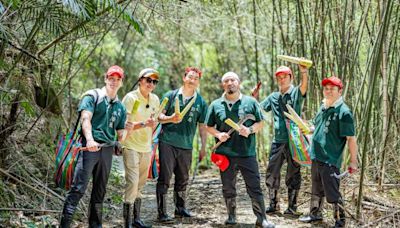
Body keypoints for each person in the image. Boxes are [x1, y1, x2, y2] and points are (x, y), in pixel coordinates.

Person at [205, 72, 275, 228]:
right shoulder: (216, 105)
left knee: (254, 186)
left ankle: (261, 218)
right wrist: (218, 134)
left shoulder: (250, 102)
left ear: (239, 83)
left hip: (246, 153)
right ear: (223, 85)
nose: (230, 83)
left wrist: (249, 130)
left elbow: (260, 123)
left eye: (233, 80)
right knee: (228, 186)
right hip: (225, 154)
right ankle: (231, 216)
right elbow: (208, 126)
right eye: (226, 81)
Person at [60, 65, 127, 228]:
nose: (114, 82)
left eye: (118, 79)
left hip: (107, 150)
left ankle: (95, 225)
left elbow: (121, 136)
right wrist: (89, 140)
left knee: (100, 190)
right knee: (79, 188)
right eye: (111, 78)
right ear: (106, 79)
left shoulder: (120, 107)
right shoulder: (92, 96)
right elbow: (85, 119)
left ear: (121, 82)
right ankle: (64, 225)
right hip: (89, 147)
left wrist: (128, 131)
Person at [299, 76, 358, 228]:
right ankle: (315, 215)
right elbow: (316, 125)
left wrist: (353, 161)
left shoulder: (344, 112)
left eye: (332, 88)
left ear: (340, 91)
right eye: (326, 88)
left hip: (330, 158)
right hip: (316, 155)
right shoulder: (323, 106)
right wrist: (307, 126)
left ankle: (340, 220)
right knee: (316, 187)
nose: (328, 91)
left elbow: (351, 139)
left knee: (332, 191)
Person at [156, 67, 208, 223]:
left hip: (186, 145)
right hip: (168, 142)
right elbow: (158, 116)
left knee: (183, 178)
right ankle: (162, 211)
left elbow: (202, 126)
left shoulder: (200, 102)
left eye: (196, 78)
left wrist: (203, 147)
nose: (193, 80)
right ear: (184, 78)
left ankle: (180, 209)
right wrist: (171, 118)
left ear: (198, 82)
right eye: (190, 77)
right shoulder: (171, 96)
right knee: (165, 177)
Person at [260, 65, 308, 215]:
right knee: (272, 171)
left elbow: (303, 87)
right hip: (278, 139)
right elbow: (260, 108)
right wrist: (253, 98)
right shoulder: (273, 97)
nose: (282, 80)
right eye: (279, 78)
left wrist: (304, 73)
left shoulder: (295, 93)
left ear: (291, 77)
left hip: (294, 139)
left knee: (293, 172)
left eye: (285, 77)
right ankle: (274, 204)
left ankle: (292, 206)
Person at [121, 68, 160, 228]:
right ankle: (127, 222)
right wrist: (144, 124)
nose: (151, 84)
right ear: (140, 81)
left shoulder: (155, 99)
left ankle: (137, 219)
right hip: (130, 145)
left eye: (154, 81)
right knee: (132, 181)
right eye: (148, 80)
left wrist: (154, 146)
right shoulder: (130, 98)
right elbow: (124, 124)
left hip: (146, 146)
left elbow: (155, 122)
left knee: (141, 183)